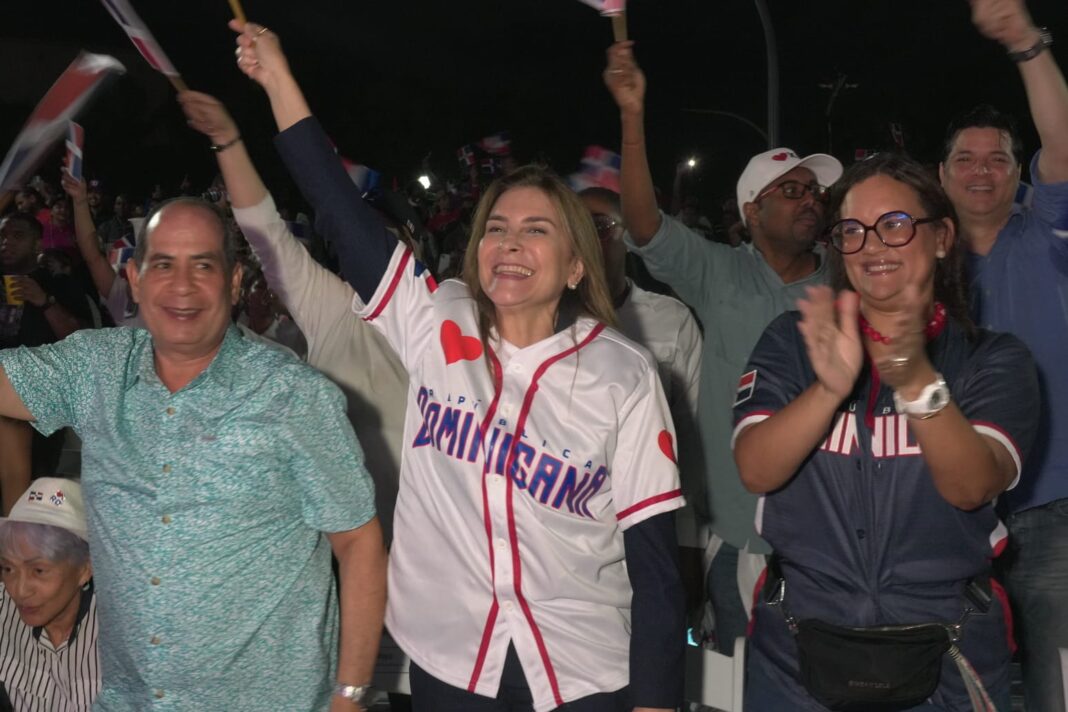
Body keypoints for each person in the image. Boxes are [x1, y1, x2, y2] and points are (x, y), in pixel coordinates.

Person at [234, 21, 686, 711]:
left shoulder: (622, 374)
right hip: (453, 658)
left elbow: (654, 562)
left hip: (580, 668)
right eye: (496, 228)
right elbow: (338, 208)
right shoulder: (437, 318)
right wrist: (278, 81)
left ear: (575, 265)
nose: (510, 243)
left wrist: (655, 702)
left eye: (536, 230)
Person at [0, 197, 387, 711]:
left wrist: (350, 695)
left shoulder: (293, 396)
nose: (182, 285)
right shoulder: (96, 370)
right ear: (135, 280)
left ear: (234, 282)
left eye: (203, 265)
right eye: (163, 265)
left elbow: (359, 542)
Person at [733, 153, 1039, 710]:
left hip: (947, 653)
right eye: (852, 230)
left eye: (894, 224)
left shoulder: (993, 358)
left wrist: (915, 377)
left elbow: (972, 486)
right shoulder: (794, 340)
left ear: (942, 237)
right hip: (798, 651)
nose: (872, 245)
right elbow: (755, 469)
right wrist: (827, 390)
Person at [603, 41, 843, 653]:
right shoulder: (719, 273)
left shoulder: (847, 280)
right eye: (792, 191)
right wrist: (632, 118)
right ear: (751, 212)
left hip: (832, 537)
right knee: (743, 681)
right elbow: (643, 225)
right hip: (740, 537)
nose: (810, 200)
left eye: (814, 191)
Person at [176, 90, 408, 543]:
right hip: (345, 546)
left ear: (412, 244)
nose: (368, 249)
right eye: (359, 236)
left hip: (442, 550)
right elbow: (269, 238)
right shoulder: (337, 309)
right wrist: (228, 142)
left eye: (382, 237)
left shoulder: (453, 320)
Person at [937, 2, 1068, 709]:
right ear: (941, 173)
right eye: (966, 159)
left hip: (1052, 508)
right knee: (959, 689)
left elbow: (1063, 141)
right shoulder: (918, 262)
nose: (982, 171)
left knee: (1055, 688)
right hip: (950, 513)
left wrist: (1024, 42)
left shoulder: (1047, 235)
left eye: (999, 159)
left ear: (1021, 172)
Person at [578, 187, 707, 605]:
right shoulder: (542, 321)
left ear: (627, 237)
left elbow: (692, 445)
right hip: (570, 545)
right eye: (576, 227)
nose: (588, 239)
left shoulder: (671, 320)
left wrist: (689, 544)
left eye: (600, 226)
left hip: (651, 536)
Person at [0, 477, 98, 711]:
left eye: (39, 571)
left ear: (85, 569)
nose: (20, 590)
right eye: (8, 569)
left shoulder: (120, 635)